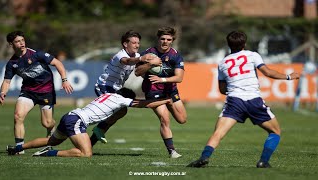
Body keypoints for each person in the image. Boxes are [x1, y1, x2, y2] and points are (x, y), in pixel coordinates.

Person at [187, 30, 300, 168]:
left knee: (219, 132)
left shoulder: (223, 63)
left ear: (229, 45)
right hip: (254, 100)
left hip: (235, 101)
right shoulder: (252, 55)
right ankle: (263, 161)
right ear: (244, 44)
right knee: (275, 132)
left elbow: (222, 89)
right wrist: (289, 77)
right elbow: (268, 72)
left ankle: (204, 157)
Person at [6, 88, 172, 157]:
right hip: (77, 121)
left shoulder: (108, 95)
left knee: (51, 140)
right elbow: (144, 104)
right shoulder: (121, 100)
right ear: (127, 97)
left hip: (70, 115)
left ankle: (17, 148)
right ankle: (48, 153)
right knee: (86, 154)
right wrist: (166, 99)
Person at [0, 30, 73, 154]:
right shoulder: (12, 63)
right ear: (11, 44)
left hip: (46, 91)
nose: (21, 43)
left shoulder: (36, 54)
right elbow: (6, 81)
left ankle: (53, 130)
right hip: (28, 92)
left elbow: (57, 63)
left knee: (47, 123)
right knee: (18, 116)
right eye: (18, 41)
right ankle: (19, 148)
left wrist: (64, 80)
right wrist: (2, 93)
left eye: (22, 40)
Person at [90, 30, 161, 145]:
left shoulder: (137, 56)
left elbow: (140, 71)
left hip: (116, 88)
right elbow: (127, 61)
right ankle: (89, 127)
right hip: (104, 86)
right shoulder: (121, 55)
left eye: (138, 43)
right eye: (133, 43)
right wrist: (142, 59)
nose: (137, 45)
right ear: (125, 44)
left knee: (121, 111)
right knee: (114, 110)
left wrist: (154, 71)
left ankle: (93, 138)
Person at [134, 27, 187, 158]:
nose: (165, 41)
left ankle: (169, 102)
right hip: (153, 91)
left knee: (182, 119)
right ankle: (172, 151)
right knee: (165, 119)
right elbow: (137, 72)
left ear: (172, 41)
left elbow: (179, 78)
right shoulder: (149, 53)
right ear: (158, 39)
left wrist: (162, 79)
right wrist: (150, 65)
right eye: (162, 39)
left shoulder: (175, 55)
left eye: (168, 39)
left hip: (171, 90)